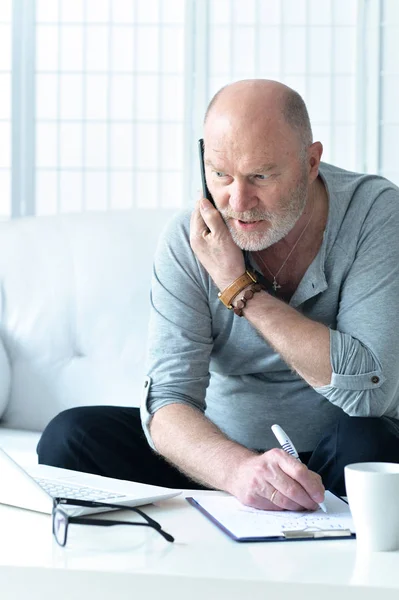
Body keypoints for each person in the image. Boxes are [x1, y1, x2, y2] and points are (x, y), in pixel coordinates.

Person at [37, 79, 399, 511]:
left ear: (310, 162)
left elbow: (370, 391)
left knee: (368, 439)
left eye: (260, 176)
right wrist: (238, 471)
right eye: (220, 174)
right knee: (70, 437)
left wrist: (241, 289)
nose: (237, 200)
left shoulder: (375, 215)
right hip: (227, 460)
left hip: (340, 455)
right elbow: (168, 402)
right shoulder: (187, 239)